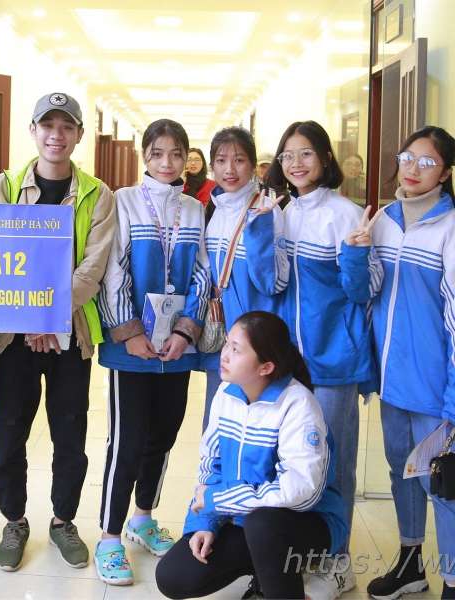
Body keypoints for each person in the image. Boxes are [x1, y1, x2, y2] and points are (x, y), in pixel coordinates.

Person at [0, 92, 116, 571]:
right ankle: (14, 520)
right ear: (33, 131)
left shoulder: (98, 194)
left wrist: (48, 317)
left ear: (78, 135)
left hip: (70, 335)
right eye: (48, 125)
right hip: (14, 336)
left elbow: (92, 269)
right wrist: (32, 319)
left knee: (70, 433)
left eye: (66, 127)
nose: (56, 135)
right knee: (9, 432)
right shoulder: (5, 186)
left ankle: (63, 521)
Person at [155, 311, 348, 600]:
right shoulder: (226, 394)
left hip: (306, 523)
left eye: (236, 349)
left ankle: (276, 587)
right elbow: (211, 465)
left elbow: (300, 492)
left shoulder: (298, 405)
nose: (225, 355)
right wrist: (206, 523)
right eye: (227, 344)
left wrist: (219, 499)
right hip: (245, 519)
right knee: (174, 576)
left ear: (265, 367)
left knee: (263, 526)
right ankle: (264, 571)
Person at [268, 120, 383, 597]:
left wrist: (355, 253)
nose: (296, 163)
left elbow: (366, 289)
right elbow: (273, 285)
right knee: (290, 459)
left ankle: (338, 560)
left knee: (334, 461)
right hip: (287, 364)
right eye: (288, 155)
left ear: (325, 158)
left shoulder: (346, 214)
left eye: (306, 154)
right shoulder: (278, 212)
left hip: (334, 361)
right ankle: (298, 553)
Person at [95, 119, 209, 586]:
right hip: (134, 348)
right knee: (126, 440)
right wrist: (129, 332)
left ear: (187, 159)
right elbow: (113, 270)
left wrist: (184, 332)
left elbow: (202, 273)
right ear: (145, 156)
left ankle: (142, 517)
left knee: (163, 434)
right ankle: (109, 536)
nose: (167, 162)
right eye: (158, 153)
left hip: (176, 348)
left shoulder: (194, 209)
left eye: (177, 154)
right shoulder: (123, 201)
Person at [366, 125, 455, 600]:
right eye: (407, 158)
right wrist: (355, 255)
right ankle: (410, 563)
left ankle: (453, 579)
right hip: (392, 380)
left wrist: (453, 397)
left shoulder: (450, 227)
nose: (413, 169)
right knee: (401, 470)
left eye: (427, 161)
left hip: (435, 387)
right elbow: (368, 293)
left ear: (446, 172)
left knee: (442, 483)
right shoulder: (384, 219)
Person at [198, 127, 288, 432]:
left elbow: (274, 283)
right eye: (221, 160)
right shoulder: (214, 210)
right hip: (222, 336)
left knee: (255, 426)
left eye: (239, 160)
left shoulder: (267, 210)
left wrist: (259, 231)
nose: (229, 169)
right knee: (218, 424)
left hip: (255, 341)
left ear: (252, 164)